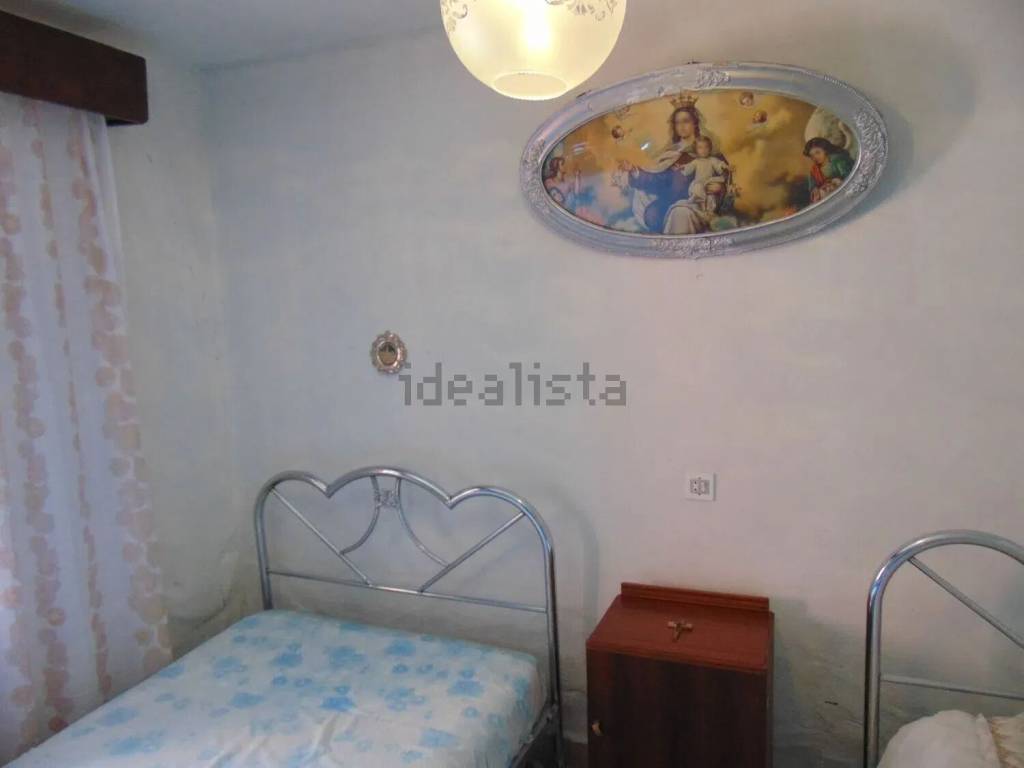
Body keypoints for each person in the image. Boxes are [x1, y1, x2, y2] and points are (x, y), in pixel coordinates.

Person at [617, 103, 728, 234]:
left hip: (701, 205)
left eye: (686, 121)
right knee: (674, 212)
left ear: (695, 123)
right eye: (677, 122)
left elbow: (725, 177)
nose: (681, 126)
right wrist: (634, 171)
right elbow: (658, 180)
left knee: (681, 213)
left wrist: (720, 187)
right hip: (672, 205)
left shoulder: (709, 151)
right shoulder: (672, 154)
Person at [679, 136, 730, 211]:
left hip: (708, 182)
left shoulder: (712, 160)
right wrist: (683, 167)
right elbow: (688, 168)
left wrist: (724, 166)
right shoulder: (696, 161)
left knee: (710, 198)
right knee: (698, 188)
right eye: (700, 148)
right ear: (696, 150)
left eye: (706, 147)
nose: (703, 150)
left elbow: (719, 164)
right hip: (699, 182)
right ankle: (699, 203)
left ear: (710, 149)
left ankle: (708, 211)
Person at [804, 137, 854, 203]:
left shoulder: (838, 160)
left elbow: (849, 177)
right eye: (812, 156)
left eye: (817, 152)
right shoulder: (814, 169)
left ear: (825, 150)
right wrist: (814, 189)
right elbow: (812, 184)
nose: (815, 157)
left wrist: (837, 182)